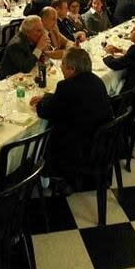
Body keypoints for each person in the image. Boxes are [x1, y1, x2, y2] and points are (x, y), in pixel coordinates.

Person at [30, 48, 111, 185]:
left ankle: (43, 175)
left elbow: (45, 111)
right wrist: (47, 97)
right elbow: (66, 103)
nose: (60, 67)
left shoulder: (66, 87)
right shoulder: (97, 81)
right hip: (102, 143)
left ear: (72, 69)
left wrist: (40, 103)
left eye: (62, 64)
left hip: (79, 149)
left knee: (45, 131)